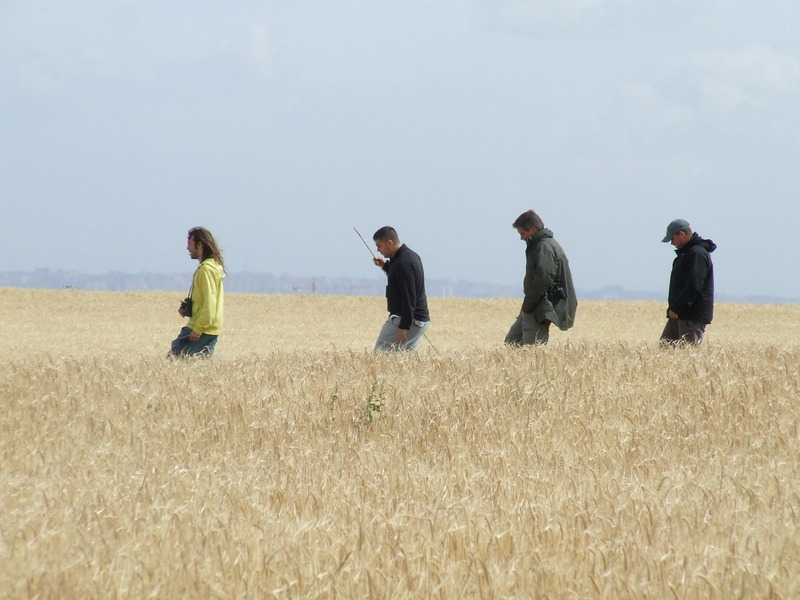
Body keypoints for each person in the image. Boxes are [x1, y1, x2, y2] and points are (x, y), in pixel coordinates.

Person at [505, 210, 577, 345]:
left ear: (532, 229)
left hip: (540, 305)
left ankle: (536, 366)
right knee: (512, 342)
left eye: (522, 233)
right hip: (534, 303)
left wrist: (529, 305)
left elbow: (543, 279)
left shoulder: (544, 247)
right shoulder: (541, 245)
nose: (521, 238)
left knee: (532, 349)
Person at [371, 226, 430, 352]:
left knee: (380, 356)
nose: (378, 250)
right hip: (419, 320)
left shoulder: (402, 263)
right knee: (405, 362)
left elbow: (409, 297)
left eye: (379, 246)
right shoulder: (409, 256)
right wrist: (385, 265)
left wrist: (404, 327)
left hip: (408, 319)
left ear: (389, 243)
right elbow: (399, 277)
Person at [169, 227, 226, 358]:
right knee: (198, 370)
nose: (187, 248)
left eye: (190, 243)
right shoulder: (211, 267)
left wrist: (198, 329)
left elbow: (210, 303)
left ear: (199, 245)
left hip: (201, 330)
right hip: (207, 328)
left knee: (172, 363)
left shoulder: (206, 270)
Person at [660, 219, 716, 345]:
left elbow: (693, 285)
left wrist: (678, 308)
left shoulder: (697, 253)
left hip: (691, 315)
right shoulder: (687, 254)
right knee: (666, 347)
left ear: (681, 234)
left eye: (672, 239)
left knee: (687, 352)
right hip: (679, 314)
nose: (672, 243)